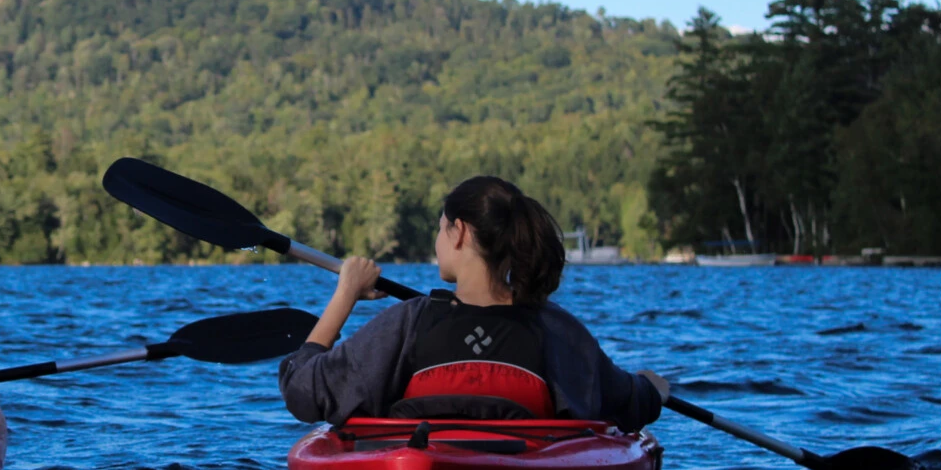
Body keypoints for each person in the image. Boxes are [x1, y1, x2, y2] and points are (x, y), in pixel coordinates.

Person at [278, 176, 667, 429]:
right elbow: (630, 404)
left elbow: (301, 389)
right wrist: (652, 388)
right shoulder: (558, 330)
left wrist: (345, 295)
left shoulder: (408, 323)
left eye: (440, 229)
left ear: (459, 232)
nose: (438, 240)